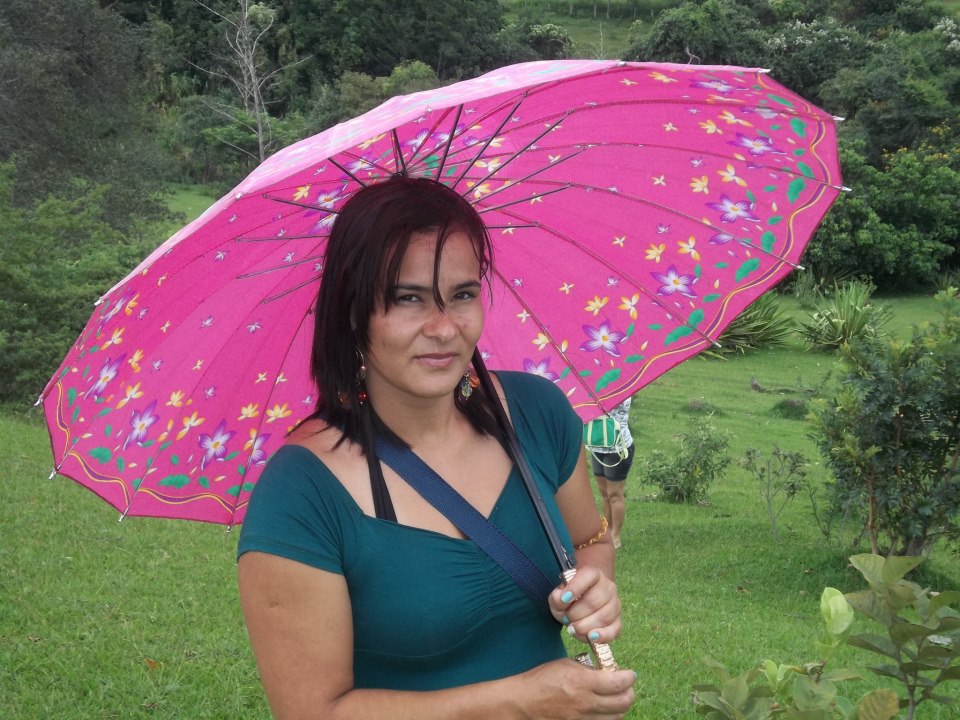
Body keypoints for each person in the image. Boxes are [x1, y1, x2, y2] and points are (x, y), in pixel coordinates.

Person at [237, 176, 636, 719]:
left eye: (463, 295)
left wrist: (597, 587)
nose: (445, 328)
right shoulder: (301, 493)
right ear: (353, 311)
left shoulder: (537, 415)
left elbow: (590, 538)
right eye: (409, 298)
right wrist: (520, 702)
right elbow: (313, 712)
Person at [588, 399, 634, 551]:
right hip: (596, 445)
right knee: (604, 493)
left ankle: (616, 535)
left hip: (618, 447)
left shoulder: (619, 390)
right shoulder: (591, 390)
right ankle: (607, 531)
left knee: (614, 494)